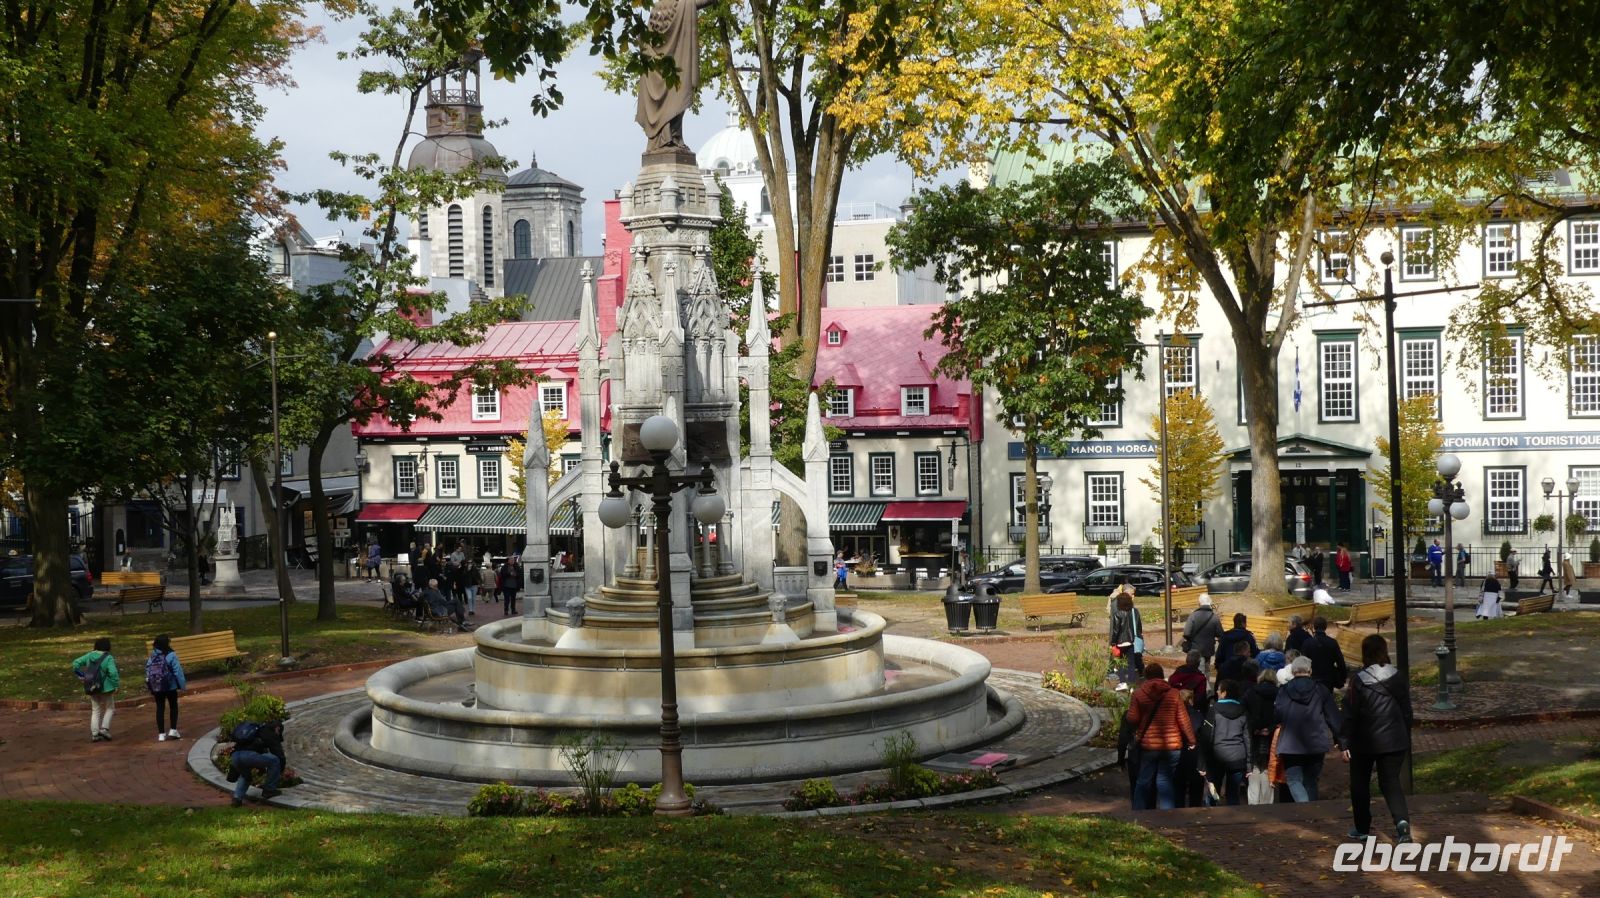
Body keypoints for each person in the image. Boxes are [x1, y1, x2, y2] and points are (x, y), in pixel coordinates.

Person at [1341, 633, 1414, 843]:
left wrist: (1344, 741)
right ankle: (1402, 824)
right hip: (1394, 739)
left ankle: (1362, 827)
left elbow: (1350, 713)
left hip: (1364, 741)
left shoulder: (1358, 681)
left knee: (1360, 783)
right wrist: (1404, 733)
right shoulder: (1398, 676)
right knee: (1391, 783)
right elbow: (1406, 710)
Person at [1124, 661, 1195, 810]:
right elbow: (1183, 720)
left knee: (1143, 781)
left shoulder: (1138, 694)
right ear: (1162, 676)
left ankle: (1139, 815)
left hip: (1148, 745)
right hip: (1171, 745)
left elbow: (1132, 719)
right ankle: (1167, 817)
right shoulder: (1174, 694)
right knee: (1165, 781)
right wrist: (1191, 740)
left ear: (1146, 676)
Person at [1274, 656, 1343, 802]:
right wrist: (1341, 740)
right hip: (1316, 741)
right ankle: (1311, 812)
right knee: (1311, 781)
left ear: (1293, 671)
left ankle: (1305, 807)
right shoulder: (1321, 690)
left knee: (1293, 780)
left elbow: (1278, 714)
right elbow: (1333, 717)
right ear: (1310, 671)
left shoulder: (1284, 690)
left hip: (1290, 744)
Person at [1199, 679, 1251, 807]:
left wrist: (1202, 764)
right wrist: (1249, 764)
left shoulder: (1213, 710)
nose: (1216, 692)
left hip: (1217, 757)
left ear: (1224, 692)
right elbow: (1247, 738)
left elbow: (1206, 737)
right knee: (1233, 795)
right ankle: (1233, 821)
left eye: (1218, 690)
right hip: (1238, 757)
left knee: (1213, 792)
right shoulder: (1243, 710)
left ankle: (1213, 818)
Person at [1169, 651, 1210, 807]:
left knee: (1178, 783)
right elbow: (1201, 700)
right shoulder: (1200, 679)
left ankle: (1177, 808)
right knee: (1195, 785)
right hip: (1193, 752)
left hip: (1177, 748)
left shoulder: (1175, 677)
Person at [72, 637, 120, 742]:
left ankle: (94, 733)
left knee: (95, 710)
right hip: (106, 688)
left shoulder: (89, 655)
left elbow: (75, 663)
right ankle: (104, 729)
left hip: (92, 687)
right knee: (110, 708)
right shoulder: (108, 658)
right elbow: (113, 673)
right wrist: (116, 685)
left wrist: (81, 676)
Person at [229, 719, 286, 807]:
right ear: (277, 729)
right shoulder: (270, 734)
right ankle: (269, 790)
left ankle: (237, 798)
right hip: (248, 756)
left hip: (235, 756)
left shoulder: (258, 729)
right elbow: (280, 756)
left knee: (246, 774)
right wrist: (280, 771)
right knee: (275, 760)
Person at [1244, 667, 1280, 804]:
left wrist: (1255, 728)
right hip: (1271, 736)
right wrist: (1270, 728)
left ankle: (1253, 803)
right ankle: (1267, 804)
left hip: (1254, 735)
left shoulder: (1251, 692)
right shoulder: (1279, 693)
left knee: (1253, 769)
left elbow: (1245, 712)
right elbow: (1280, 714)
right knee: (1268, 768)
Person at [145, 634, 187, 742]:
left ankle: (161, 734)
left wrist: (151, 685)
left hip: (157, 687)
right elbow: (178, 671)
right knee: (173, 706)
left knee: (160, 708)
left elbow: (148, 670)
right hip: (170, 686)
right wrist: (182, 686)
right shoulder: (171, 654)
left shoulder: (153, 655)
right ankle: (173, 730)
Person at [1299, 616, 1348, 693]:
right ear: (1325, 627)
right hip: (1328, 679)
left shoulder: (1307, 643)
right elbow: (1340, 662)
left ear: (1314, 627)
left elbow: (1302, 663)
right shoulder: (1332, 643)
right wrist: (1343, 677)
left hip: (1312, 678)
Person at [1109, 593, 1143, 692]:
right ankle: (1132, 685)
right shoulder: (1135, 611)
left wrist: (1113, 642)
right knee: (1131, 664)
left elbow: (1116, 630)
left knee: (1119, 663)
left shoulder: (1118, 614)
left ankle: (1122, 682)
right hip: (1131, 641)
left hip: (1120, 642)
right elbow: (1139, 626)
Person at [1181, 595, 1223, 668]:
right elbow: (1220, 634)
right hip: (1209, 648)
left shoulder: (1193, 616)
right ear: (1210, 603)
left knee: (1199, 670)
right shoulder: (1214, 617)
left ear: (1199, 604)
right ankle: (1206, 679)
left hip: (1195, 648)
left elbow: (1186, 633)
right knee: (1207, 670)